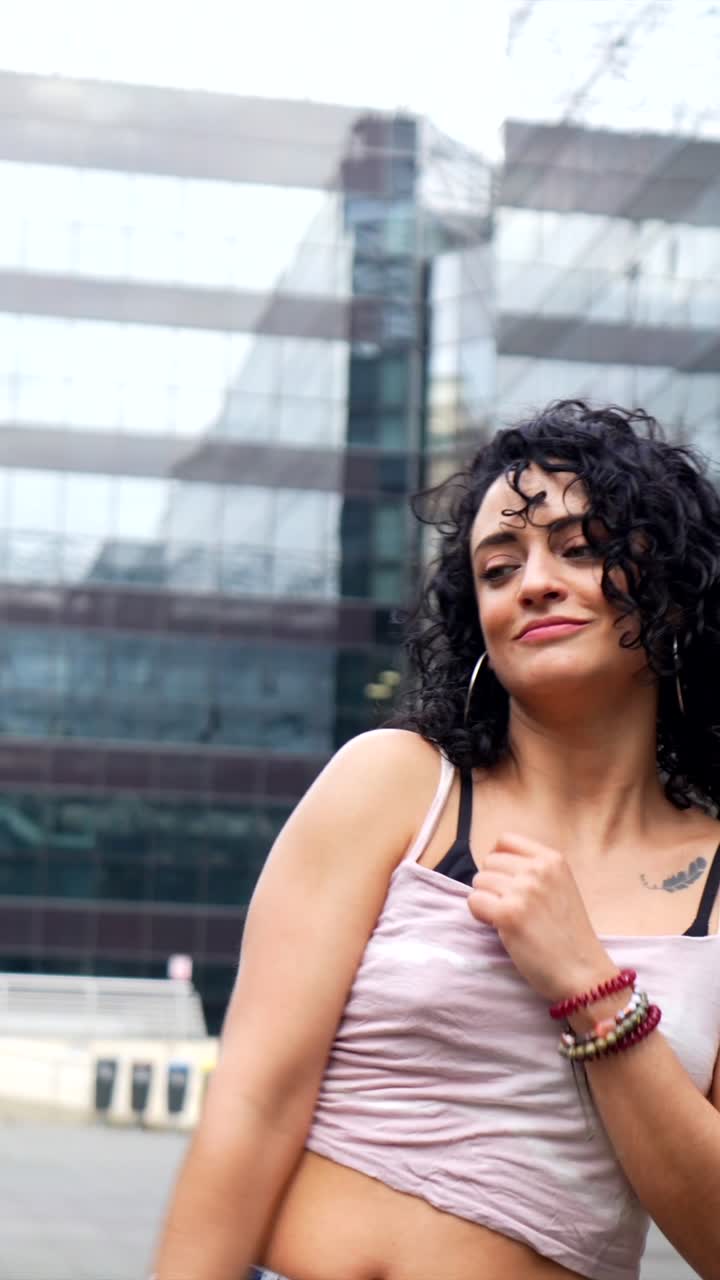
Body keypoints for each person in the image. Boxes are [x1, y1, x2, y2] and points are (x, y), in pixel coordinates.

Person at [152, 400, 720, 1280]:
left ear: (673, 588)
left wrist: (590, 989)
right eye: (499, 567)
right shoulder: (395, 784)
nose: (532, 582)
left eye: (578, 548)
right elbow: (255, 1106)